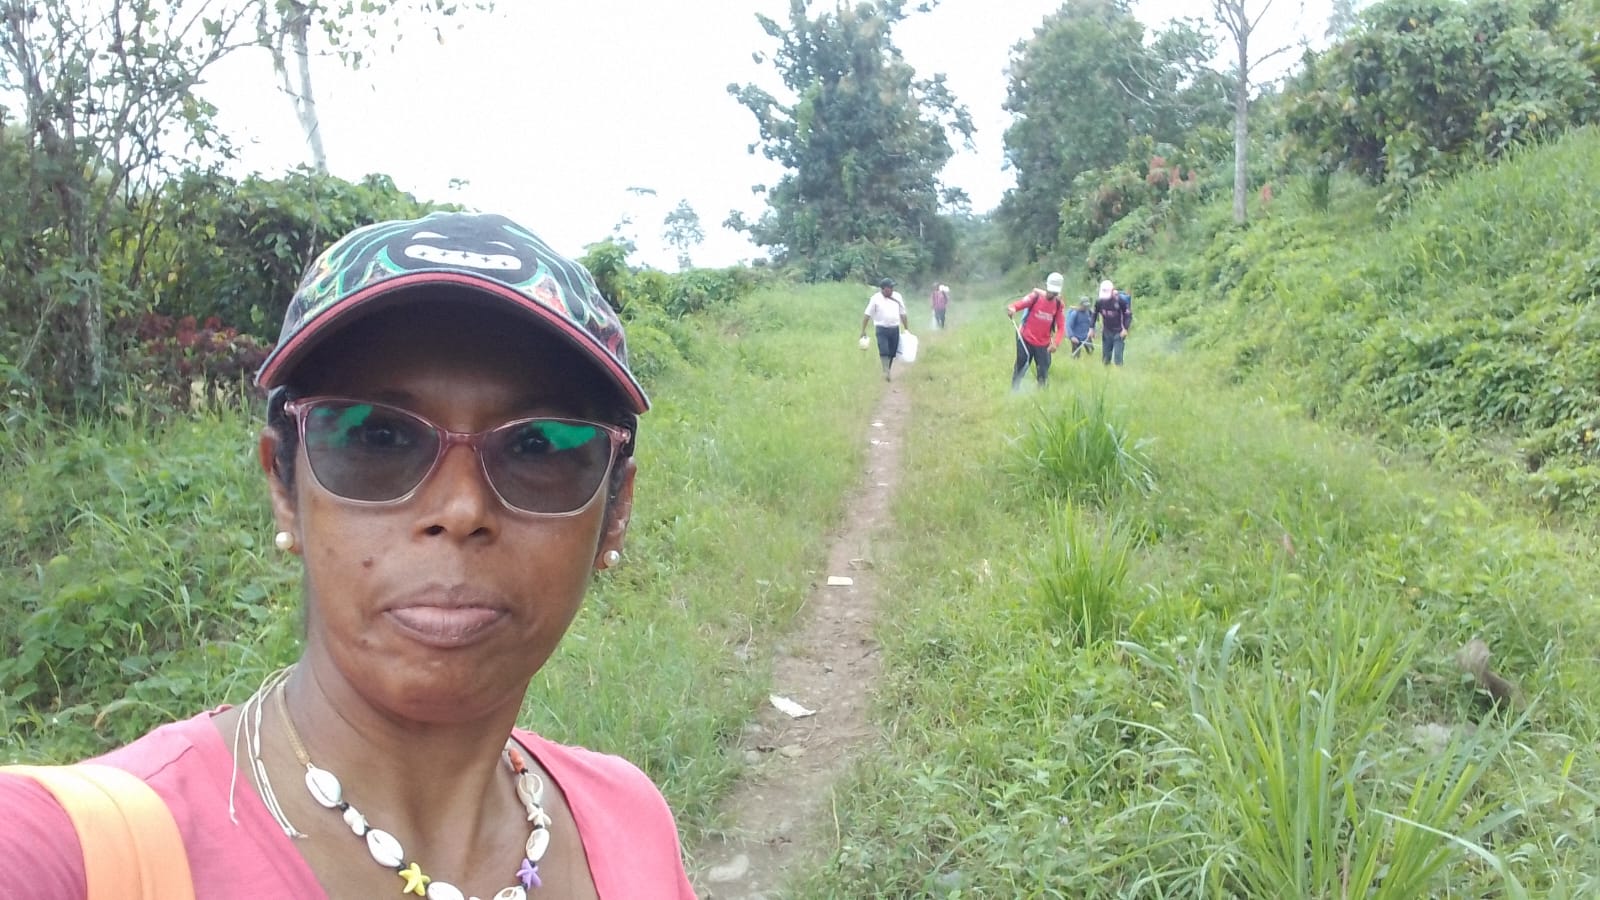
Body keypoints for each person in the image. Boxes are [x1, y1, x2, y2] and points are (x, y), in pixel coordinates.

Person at [0, 212, 696, 898]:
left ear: (615, 514)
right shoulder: (78, 851)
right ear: (285, 488)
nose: (460, 510)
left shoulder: (627, 821)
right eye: (377, 438)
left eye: (537, 445)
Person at [1006, 272, 1066, 390]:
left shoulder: (1058, 305)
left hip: (1044, 343)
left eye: (1055, 293)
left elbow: (1061, 327)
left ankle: (1041, 394)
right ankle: (1014, 391)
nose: (1052, 294)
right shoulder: (1035, 297)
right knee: (1021, 366)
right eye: (1051, 291)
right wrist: (1012, 308)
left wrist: (1056, 343)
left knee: (1043, 371)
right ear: (1047, 286)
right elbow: (1019, 304)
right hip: (1025, 339)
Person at [860, 277, 910, 381]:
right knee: (884, 350)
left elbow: (903, 313)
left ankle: (888, 369)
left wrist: (906, 329)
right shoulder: (875, 299)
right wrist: (863, 330)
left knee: (892, 352)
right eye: (889, 288)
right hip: (881, 328)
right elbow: (867, 315)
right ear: (883, 289)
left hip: (894, 328)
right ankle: (886, 370)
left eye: (892, 287)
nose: (891, 289)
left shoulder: (897, 297)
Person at [1093, 278, 1132, 366]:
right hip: (1107, 331)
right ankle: (1106, 372)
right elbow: (1094, 314)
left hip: (1119, 331)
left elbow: (1128, 315)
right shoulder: (1099, 302)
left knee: (1118, 357)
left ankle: (1119, 371)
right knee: (1106, 358)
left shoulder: (1120, 301)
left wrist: (1125, 329)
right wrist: (1091, 328)